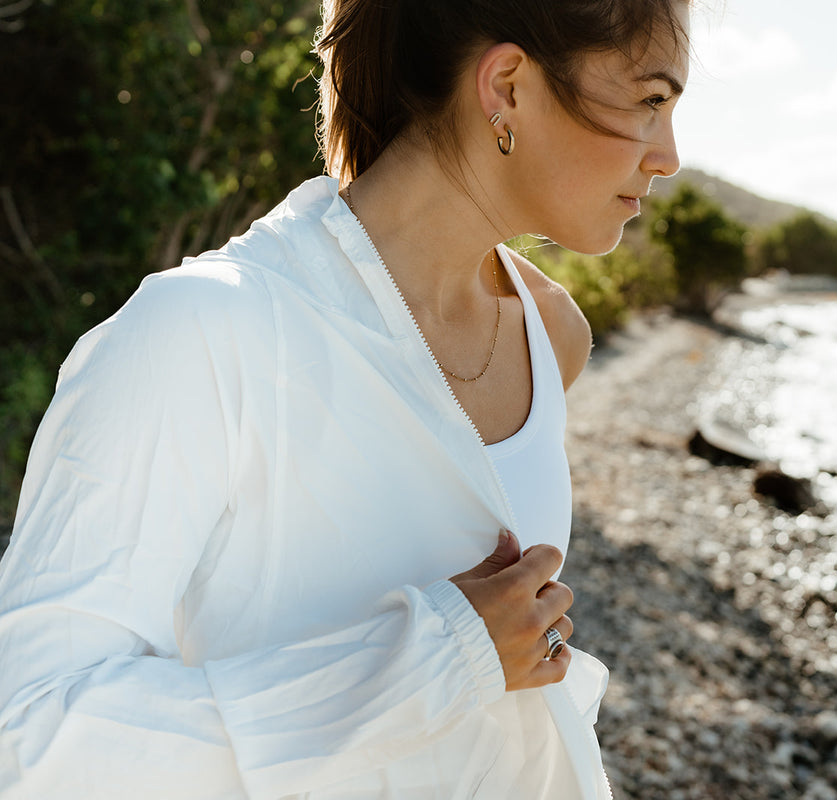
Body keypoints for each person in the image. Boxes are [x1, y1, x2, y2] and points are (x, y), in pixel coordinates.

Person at [0, 0, 689, 796]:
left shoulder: (551, 335)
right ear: (507, 84)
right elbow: (28, 731)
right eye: (650, 102)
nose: (669, 156)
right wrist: (435, 661)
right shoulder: (201, 332)